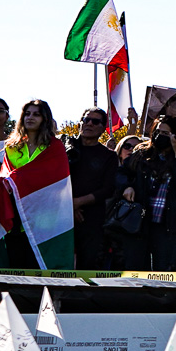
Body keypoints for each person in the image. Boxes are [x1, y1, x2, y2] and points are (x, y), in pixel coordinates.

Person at [0, 99, 63, 269]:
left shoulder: (55, 147)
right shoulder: (12, 146)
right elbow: (6, 173)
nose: (30, 118)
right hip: (15, 214)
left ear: (45, 119)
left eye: (36, 114)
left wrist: (21, 179)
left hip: (44, 218)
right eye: (27, 114)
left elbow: (58, 179)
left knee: (37, 265)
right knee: (15, 263)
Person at [134, 115, 176, 272]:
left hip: (167, 224)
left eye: (166, 133)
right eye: (158, 132)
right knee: (140, 266)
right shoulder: (142, 152)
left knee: (163, 268)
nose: (160, 136)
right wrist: (126, 187)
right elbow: (123, 173)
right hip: (142, 221)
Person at [67, 107, 120, 269]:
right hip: (62, 215)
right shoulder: (66, 149)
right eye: (86, 120)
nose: (89, 124)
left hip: (92, 219)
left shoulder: (109, 156)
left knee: (87, 266)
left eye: (95, 121)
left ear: (103, 128)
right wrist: (70, 205)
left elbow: (108, 189)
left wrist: (78, 203)